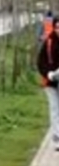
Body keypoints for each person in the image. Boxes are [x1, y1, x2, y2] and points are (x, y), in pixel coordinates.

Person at [37, 15, 59, 149]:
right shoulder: (49, 42)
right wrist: (48, 73)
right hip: (50, 81)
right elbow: (40, 61)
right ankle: (57, 135)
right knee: (54, 107)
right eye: (57, 27)